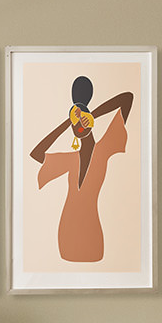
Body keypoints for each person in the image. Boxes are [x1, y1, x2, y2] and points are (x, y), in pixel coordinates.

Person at [29, 78, 135, 263]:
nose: (79, 125)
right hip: (67, 231)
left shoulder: (104, 148)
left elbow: (126, 99)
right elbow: (36, 154)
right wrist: (66, 122)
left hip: (91, 229)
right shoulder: (71, 160)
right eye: (75, 124)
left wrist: (91, 114)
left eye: (83, 121)